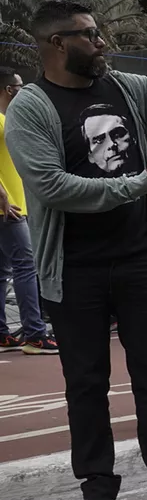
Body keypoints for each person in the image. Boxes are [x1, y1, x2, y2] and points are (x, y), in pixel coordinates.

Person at [4, 0, 147, 500]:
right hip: (72, 268)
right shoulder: (30, 108)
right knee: (85, 385)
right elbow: (51, 187)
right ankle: (96, 495)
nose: (101, 43)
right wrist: (140, 182)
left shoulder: (124, 88)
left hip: (141, 259)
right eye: (89, 35)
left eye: (98, 33)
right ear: (57, 44)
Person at [0, 66, 57, 355]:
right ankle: (35, 333)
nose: (23, 90)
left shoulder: (6, 119)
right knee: (26, 266)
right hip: (8, 208)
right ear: (9, 89)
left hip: (10, 206)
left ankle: (2, 333)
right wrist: (3, 197)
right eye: (19, 86)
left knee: (3, 271)